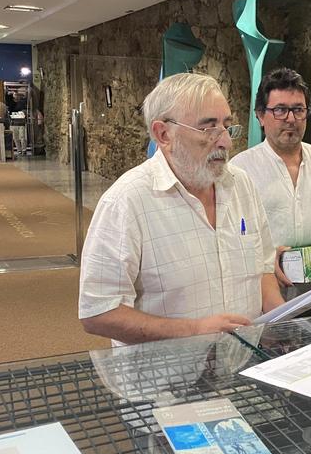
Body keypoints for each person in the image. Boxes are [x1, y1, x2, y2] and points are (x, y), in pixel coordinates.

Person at [79, 73, 285, 345]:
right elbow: (98, 312)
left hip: (240, 371)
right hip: (165, 382)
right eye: (209, 129)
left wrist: (283, 321)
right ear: (163, 134)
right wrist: (194, 330)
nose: (226, 142)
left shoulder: (240, 185)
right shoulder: (126, 202)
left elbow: (262, 269)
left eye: (227, 126)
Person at [230, 68, 311, 298]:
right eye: (280, 110)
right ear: (260, 115)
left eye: (298, 110)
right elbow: (228, 237)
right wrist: (264, 257)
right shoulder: (239, 170)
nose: (290, 119)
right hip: (261, 296)